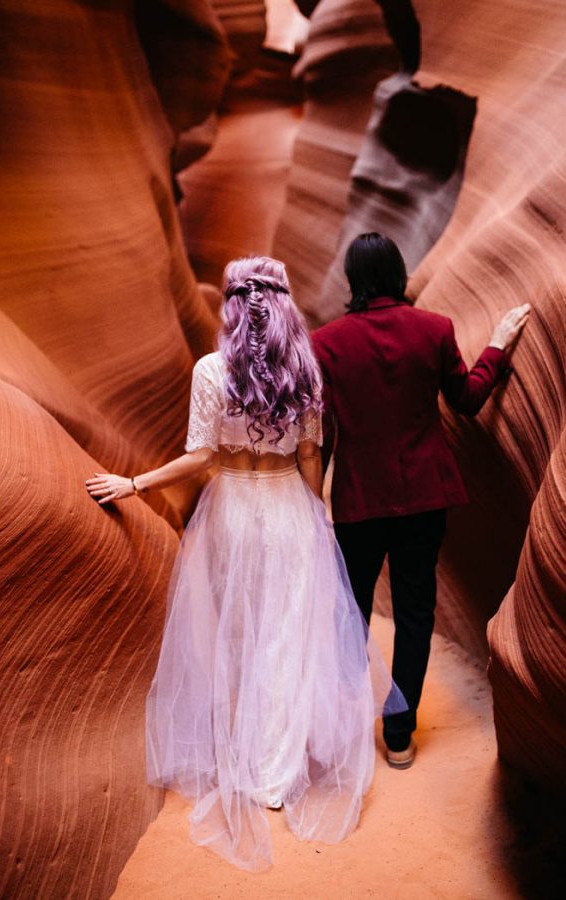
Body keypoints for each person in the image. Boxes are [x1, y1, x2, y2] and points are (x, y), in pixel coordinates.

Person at [85, 256, 405, 872]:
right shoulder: (304, 369)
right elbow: (312, 454)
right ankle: (276, 775)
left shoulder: (212, 370)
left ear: (233, 305)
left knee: (237, 632)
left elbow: (201, 459)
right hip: (287, 504)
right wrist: (315, 515)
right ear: (283, 304)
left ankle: (244, 756)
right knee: (285, 636)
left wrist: (135, 482)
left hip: (230, 508)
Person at [311, 232, 530, 770]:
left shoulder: (326, 343)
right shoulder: (434, 330)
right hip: (423, 499)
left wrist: (314, 492)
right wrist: (498, 345)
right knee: (414, 614)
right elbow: (469, 400)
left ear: (353, 281)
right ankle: (400, 734)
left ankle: (344, 726)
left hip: (358, 500)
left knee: (349, 614)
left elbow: (324, 431)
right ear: (401, 274)